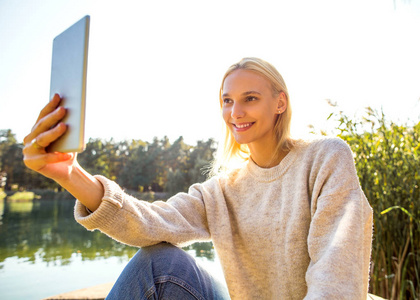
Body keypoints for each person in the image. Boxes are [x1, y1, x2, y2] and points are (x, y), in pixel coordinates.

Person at [23, 57, 373, 299]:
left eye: (250, 98)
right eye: (227, 100)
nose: (236, 112)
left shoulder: (326, 157)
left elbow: (335, 267)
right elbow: (150, 222)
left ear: (280, 102)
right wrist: (70, 174)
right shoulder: (223, 190)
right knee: (159, 263)